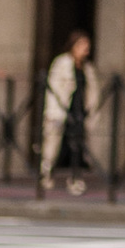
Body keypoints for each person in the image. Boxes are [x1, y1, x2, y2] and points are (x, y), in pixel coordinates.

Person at [40, 28, 94, 194]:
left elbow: (92, 91)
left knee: (77, 146)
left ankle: (75, 179)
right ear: (73, 46)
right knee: (53, 145)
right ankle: (46, 175)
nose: (86, 49)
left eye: (87, 45)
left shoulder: (87, 67)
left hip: (79, 110)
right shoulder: (62, 63)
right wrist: (59, 109)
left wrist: (89, 109)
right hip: (62, 110)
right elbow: (54, 88)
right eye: (82, 45)